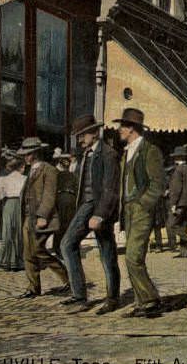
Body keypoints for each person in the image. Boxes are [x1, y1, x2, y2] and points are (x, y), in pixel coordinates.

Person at [60, 115, 121, 314]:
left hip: (99, 208)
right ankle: (79, 296)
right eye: (78, 136)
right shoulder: (86, 155)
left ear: (95, 132)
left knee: (107, 252)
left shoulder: (108, 154)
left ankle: (112, 298)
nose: (80, 140)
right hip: (86, 206)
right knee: (68, 245)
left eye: (83, 135)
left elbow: (111, 189)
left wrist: (100, 215)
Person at [115, 108, 164, 318]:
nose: (119, 130)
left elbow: (158, 184)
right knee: (133, 256)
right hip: (127, 209)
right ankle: (141, 302)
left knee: (133, 256)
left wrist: (144, 204)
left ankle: (150, 299)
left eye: (122, 127)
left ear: (131, 129)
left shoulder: (150, 150)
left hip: (141, 209)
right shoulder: (126, 152)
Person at [17, 137, 69, 298]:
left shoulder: (49, 170)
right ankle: (33, 287)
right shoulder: (30, 170)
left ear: (36, 153)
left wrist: (42, 216)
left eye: (28, 154)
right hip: (28, 217)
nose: (25, 157)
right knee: (28, 252)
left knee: (38, 249)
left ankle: (68, 278)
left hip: (42, 218)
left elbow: (49, 195)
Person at [0, 157, 26, 271]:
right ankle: (18, 260)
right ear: (21, 167)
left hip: (8, 205)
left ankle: (7, 260)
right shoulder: (25, 178)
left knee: (8, 231)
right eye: (23, 167)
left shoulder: (4, 179)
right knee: (18, 231)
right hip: (19, 205)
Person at [167, 146, 187, 258]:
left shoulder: (178, 170)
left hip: (180, 203)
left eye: (175, 157)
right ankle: (184, 251)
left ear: (178, 157)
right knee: (183, 225)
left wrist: (173, 204)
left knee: (172, 225)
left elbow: (176, 189)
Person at [52, 148, 78, 260]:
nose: (66, 164)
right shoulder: (56, 174)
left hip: (70, 200)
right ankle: (58, 248)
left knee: (67, 225)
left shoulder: (72, 175)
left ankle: (63, 248)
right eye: (65, 162)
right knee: (61, 225)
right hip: (61, 199)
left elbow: (76, 188)